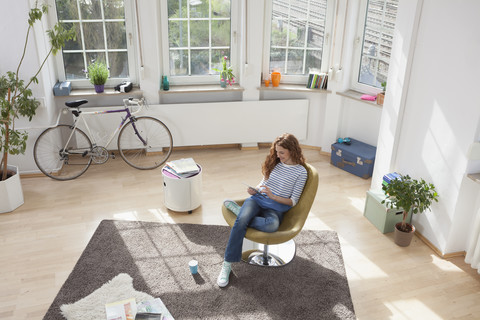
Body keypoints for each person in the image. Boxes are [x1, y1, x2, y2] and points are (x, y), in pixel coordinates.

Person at [217, 133, 308, 287]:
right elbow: (263, 183)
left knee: (271, 225)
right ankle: (227, 264)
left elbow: (293, 201)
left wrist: (272, 196)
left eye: (282, 153)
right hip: (258, 199)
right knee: (241, 223)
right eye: (277, 152)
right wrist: (255, 189)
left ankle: (239, 212)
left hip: (276, 207)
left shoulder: (301, 172)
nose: (278, 156)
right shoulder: (275, 163)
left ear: (292, 151)